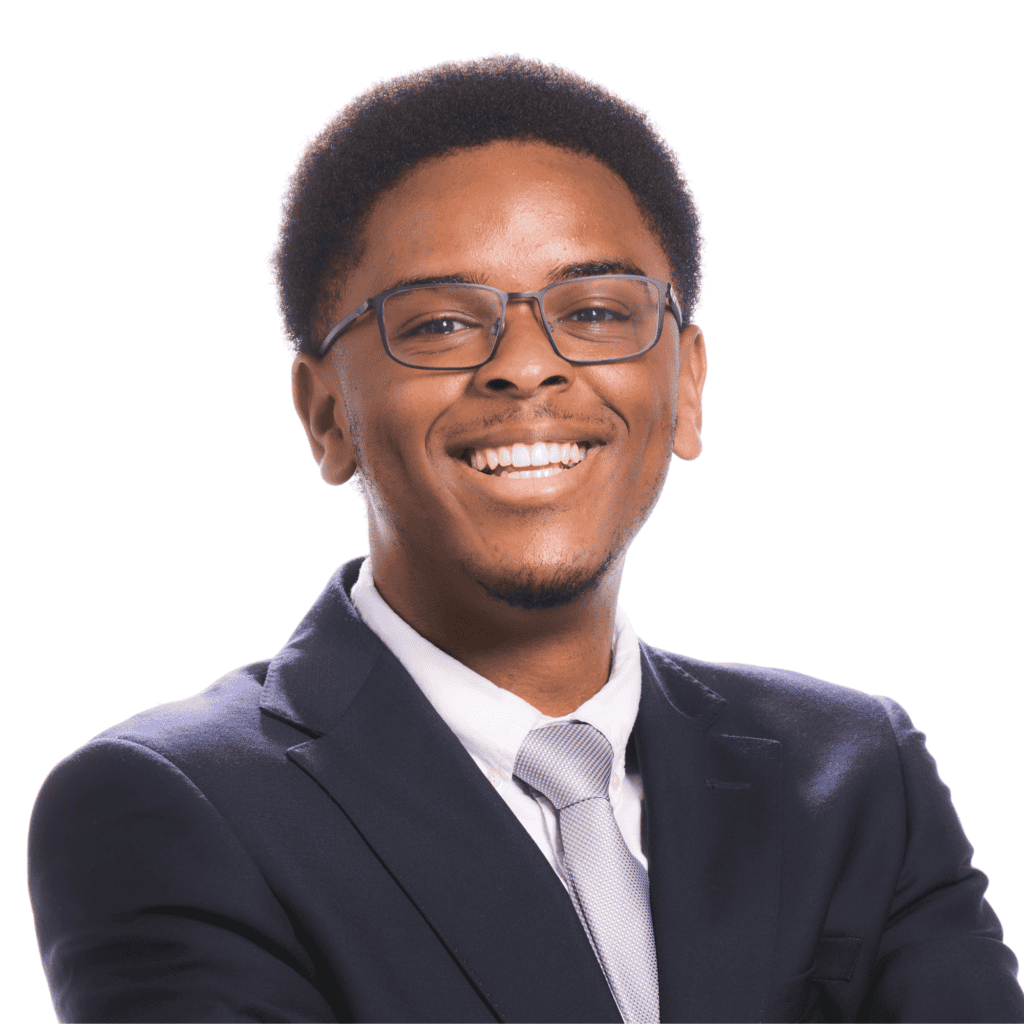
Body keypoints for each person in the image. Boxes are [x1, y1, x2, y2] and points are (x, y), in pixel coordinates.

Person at [28, 56, 1024, 1024]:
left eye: (592, 311)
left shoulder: (852, 775)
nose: (526, 366)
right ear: (325, 412)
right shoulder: (171, 808)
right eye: (440, 325)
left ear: (686, 386)